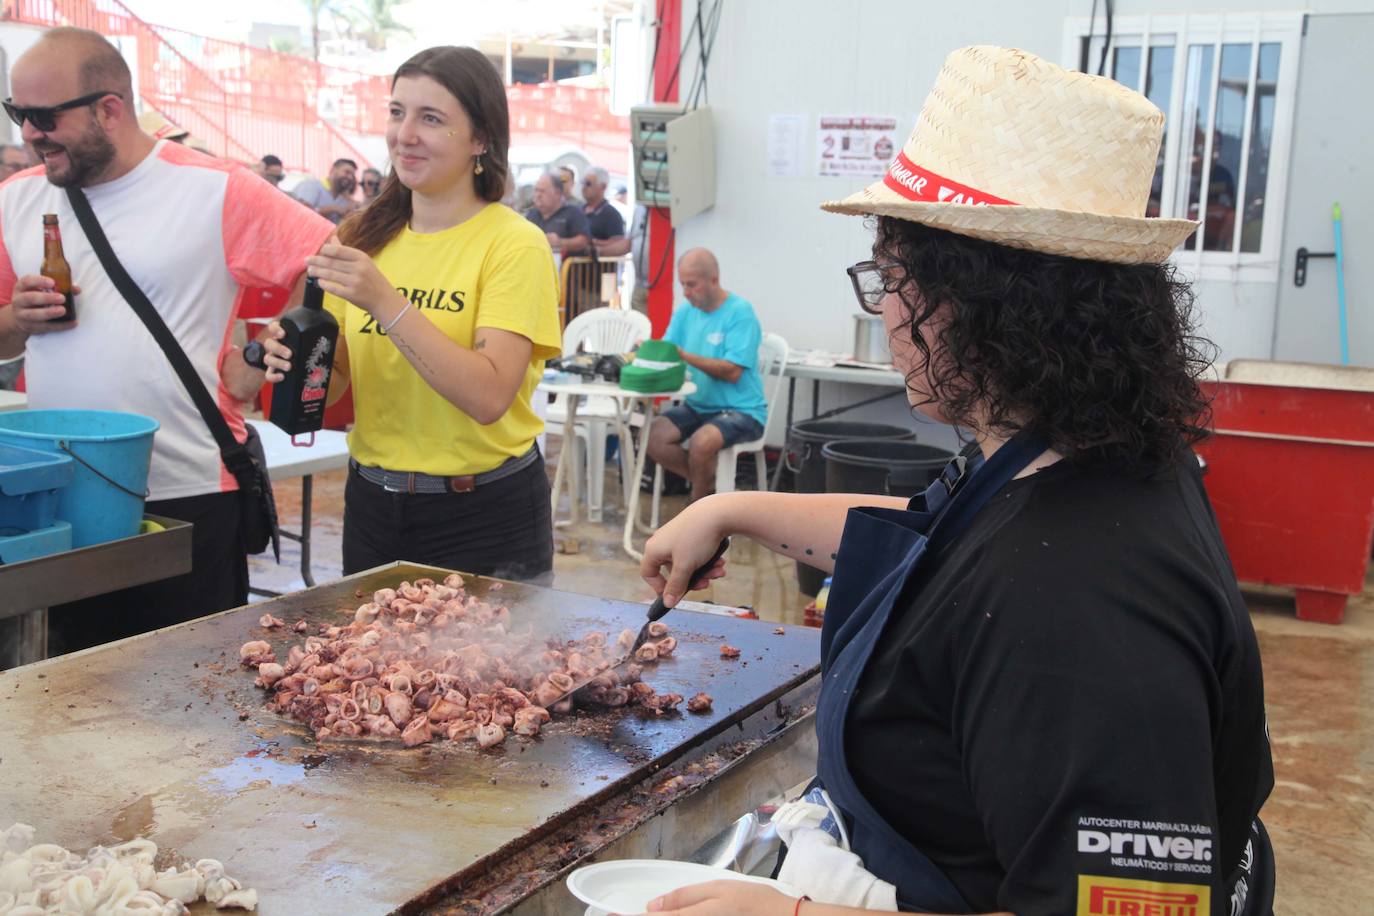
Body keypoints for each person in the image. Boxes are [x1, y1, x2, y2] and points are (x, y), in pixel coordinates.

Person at [638, 47, 1274, 916]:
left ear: (990, 305)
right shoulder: (1078, 458)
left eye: (894, 280)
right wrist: (732, 507)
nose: (887, 310)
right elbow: (951, 536)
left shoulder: (1080, 612)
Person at [0, 27, 333, 653]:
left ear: (110, 109)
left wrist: (260, 356)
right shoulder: (16, 202)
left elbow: (328, 259)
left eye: (44, 117)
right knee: (66, 703)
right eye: (17, 114)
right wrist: (16, 320)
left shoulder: (212, 187)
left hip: (190, 491)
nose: (29, 135)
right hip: (58, 496)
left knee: (190, 703)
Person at [264, 45, 561, 584]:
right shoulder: (360, 236)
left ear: (481, 139)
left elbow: (490, 396)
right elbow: (329, 387)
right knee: (368, 669)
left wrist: (386, 302)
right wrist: (292, 357)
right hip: (374, 505)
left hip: (485, 512)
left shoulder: (515, 245)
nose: (405, 134)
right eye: (398, 112)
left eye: (431, 118)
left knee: (492, 669)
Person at [646, 248, 766, 502]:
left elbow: (732, 372)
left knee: (702, 442)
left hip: (743, 410)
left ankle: (697, 507)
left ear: (713, 280)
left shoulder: (740, 312)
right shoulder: (685, 311)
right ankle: (708, 489)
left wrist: (685, 356)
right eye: (682, 285)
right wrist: (642, 356)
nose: (686, 292)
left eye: (692, 285)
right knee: (652, 435)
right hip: (698, 405)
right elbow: (669, 352)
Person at [524, 171, 589, 258]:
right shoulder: (532, 214)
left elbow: (583, 241)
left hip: (566, 269)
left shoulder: (573, 213)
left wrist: (559, 242)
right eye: (536, 190)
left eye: (542, 191)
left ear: (557, 193)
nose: (538, 195)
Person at [293, 157, 361, 224]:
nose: (350, 177)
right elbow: (302, 213)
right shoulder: (311, 185)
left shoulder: (346, 201)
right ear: (333, 170)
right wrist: (332, 209)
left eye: (352, 175)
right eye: (347, 172)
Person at [582, 166, 627, 256]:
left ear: (603, 186)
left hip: (599, 268)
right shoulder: (579, 210)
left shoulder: (612, 215)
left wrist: (594, 243)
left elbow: (618, 243)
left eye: (588, 183)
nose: (584, 187)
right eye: (583, 183)